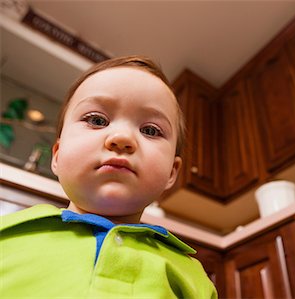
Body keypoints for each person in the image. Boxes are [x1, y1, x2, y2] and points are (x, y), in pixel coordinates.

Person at [0, 56, 217, 298]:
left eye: (150, 130)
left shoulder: (192, 276)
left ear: (172, 172)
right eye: (96, 120)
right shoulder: (6, 235)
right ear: (57, 155)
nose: (122, 138)